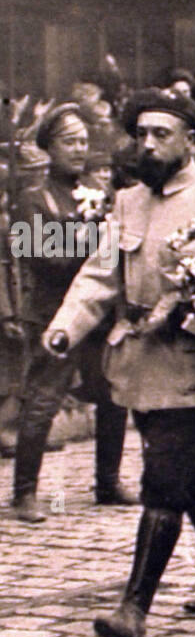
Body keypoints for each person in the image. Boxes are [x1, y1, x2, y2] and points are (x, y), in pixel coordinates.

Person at [42, 92, 195, 637]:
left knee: (163, 477)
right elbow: (99, 275)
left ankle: (133, 609)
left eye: (163, 134)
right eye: (142, 133)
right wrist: (68, 326)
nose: (149, 144)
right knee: (186, 467)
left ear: (192, 140)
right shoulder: (126, 202)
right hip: (136, 356)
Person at [8, 104, 135, 522]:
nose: (79, 149)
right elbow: (37, 256)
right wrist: (92, 239)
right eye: (69, 141)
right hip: (51, 314)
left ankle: (107, 481)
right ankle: (24, 493)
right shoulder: (32, 199)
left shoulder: (97, 196)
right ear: (49, 148)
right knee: (43, 400)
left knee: (113, 394)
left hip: (96, 313)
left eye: (83, 140)